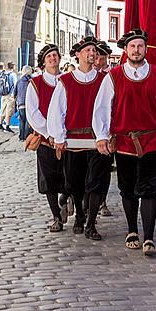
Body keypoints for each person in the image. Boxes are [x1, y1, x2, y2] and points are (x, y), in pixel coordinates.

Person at [93, 29, 156, 256]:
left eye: (140, 46)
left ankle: (149, 238)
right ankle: (132, 230)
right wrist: (102, 135)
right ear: (126, 50)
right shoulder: (113, 76)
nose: (136, 50)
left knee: (149, 190)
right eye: (133, 46)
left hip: (152, 139)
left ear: (146, 49)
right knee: (127, 189)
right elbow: (103, 108)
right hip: (124, 141)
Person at [47, 36, 112, 241]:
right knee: (75, 183)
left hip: (97, 140)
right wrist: (58, 135)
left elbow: (111, 108)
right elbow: (56, 111)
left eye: (94, 51)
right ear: (78, 54)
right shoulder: (65, 81)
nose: (92, 54)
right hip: (74, 141)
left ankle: (91, 223)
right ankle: (80, 215)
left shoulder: (105, 80)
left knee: (96, 182)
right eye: (87, 51)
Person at [26, 44, 69, 232]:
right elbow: (33, 113)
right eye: (49, 56)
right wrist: (49, 132)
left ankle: (65, 198)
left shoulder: (68, 80)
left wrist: (61, 132)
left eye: (55, 55)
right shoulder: (35, 84)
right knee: (49, 181)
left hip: (66, 138)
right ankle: (56, 217)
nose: (53, 59)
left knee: (69, 176)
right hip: (45, 139)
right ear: (44, 62)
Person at [93, 40, 113, 216]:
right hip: (88, 128)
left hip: (107, 127)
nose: (98, 61)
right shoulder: (89, 75)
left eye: (102, 57)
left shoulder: (112, 75)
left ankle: (103, 201)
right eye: (96, 57)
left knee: (105, 167)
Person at [14, 65, 33, 141]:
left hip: (21, 103)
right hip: (30, 104)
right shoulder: (32, 81)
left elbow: (14, 93)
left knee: (22, 120)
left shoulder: (19, 81)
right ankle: (26, 137)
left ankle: (21, 137)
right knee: (28, 121)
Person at [0, 62, 17, 133]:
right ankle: (7, 126)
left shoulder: (4, 73)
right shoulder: (13, 74)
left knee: (2, 109)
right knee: (9, 110)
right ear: (13, 67)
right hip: (10, 94)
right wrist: (15, 95)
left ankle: (0, 124)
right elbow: (15, 85)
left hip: (3, 94)